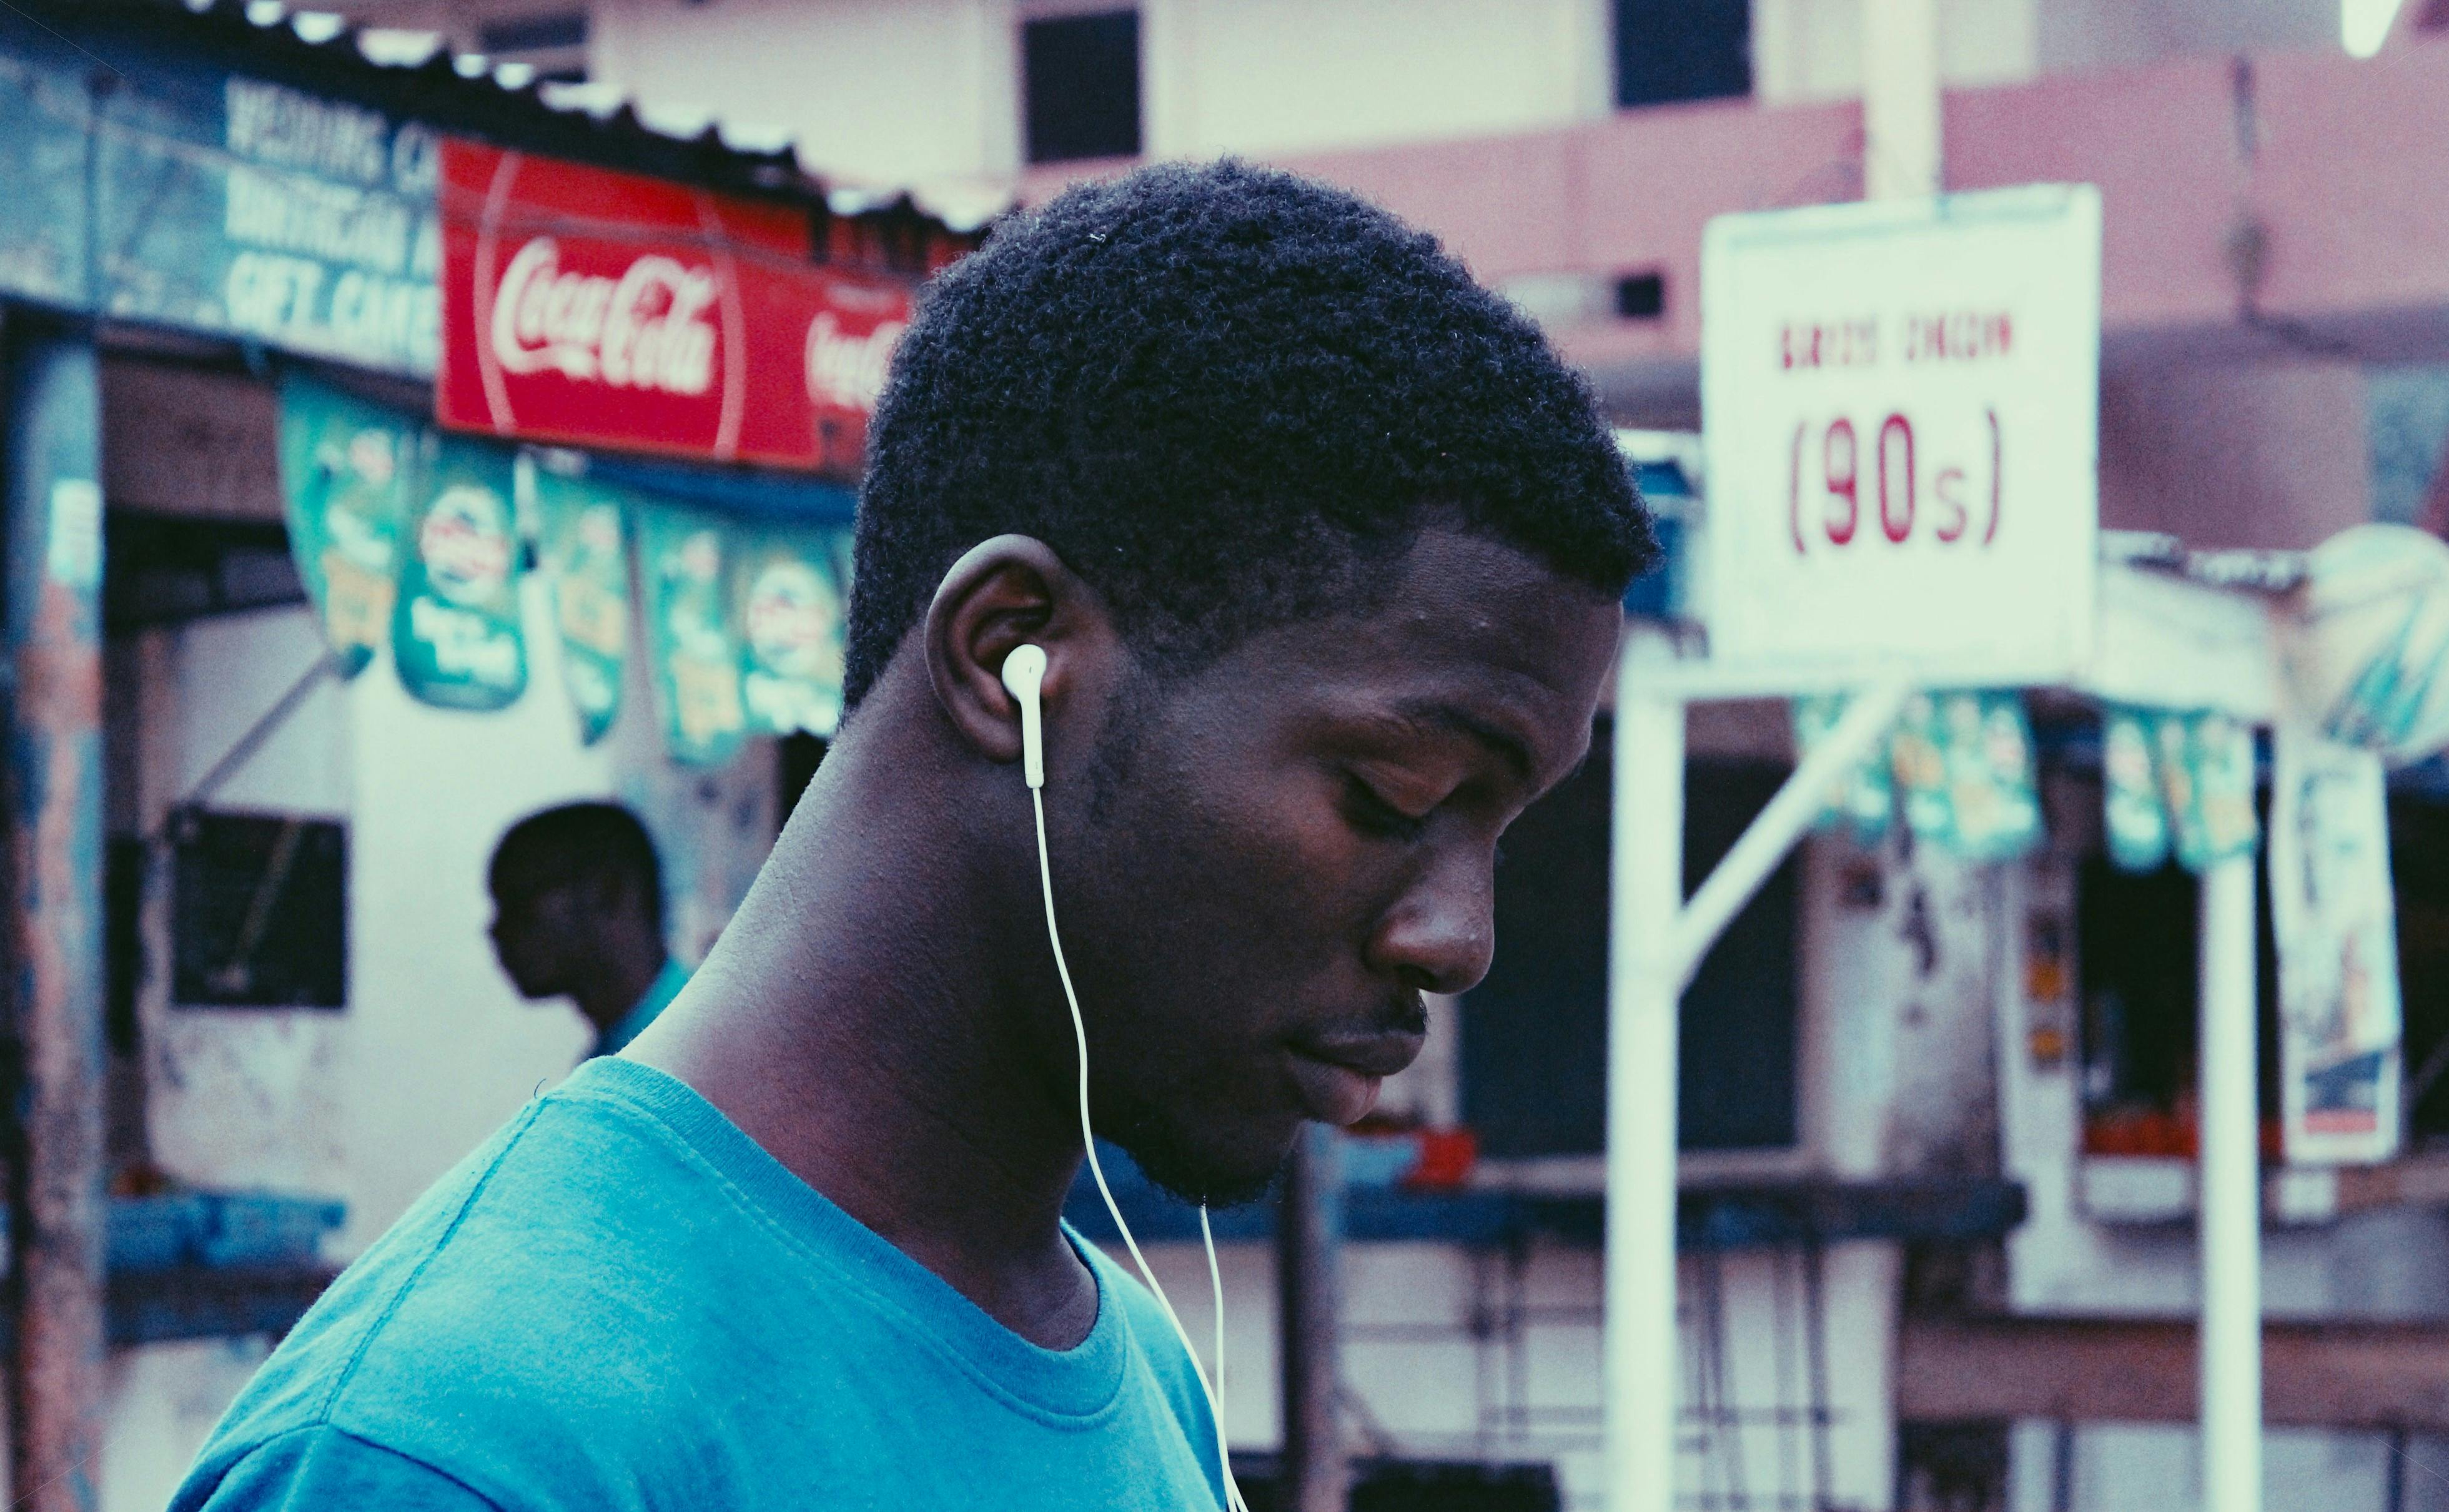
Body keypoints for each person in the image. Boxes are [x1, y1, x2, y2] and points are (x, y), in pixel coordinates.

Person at [169, 160, 1655, 1512]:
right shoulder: (470, 1448)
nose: (1459, 936)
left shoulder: (1135, 1367)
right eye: (1392, 793)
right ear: (1013, 653)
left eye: (1500, 830)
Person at [485, 801, 688, 1058]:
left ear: (607, 893)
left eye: (519, 905)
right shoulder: (624, 1056)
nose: (496, 931)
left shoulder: (704, 1044)